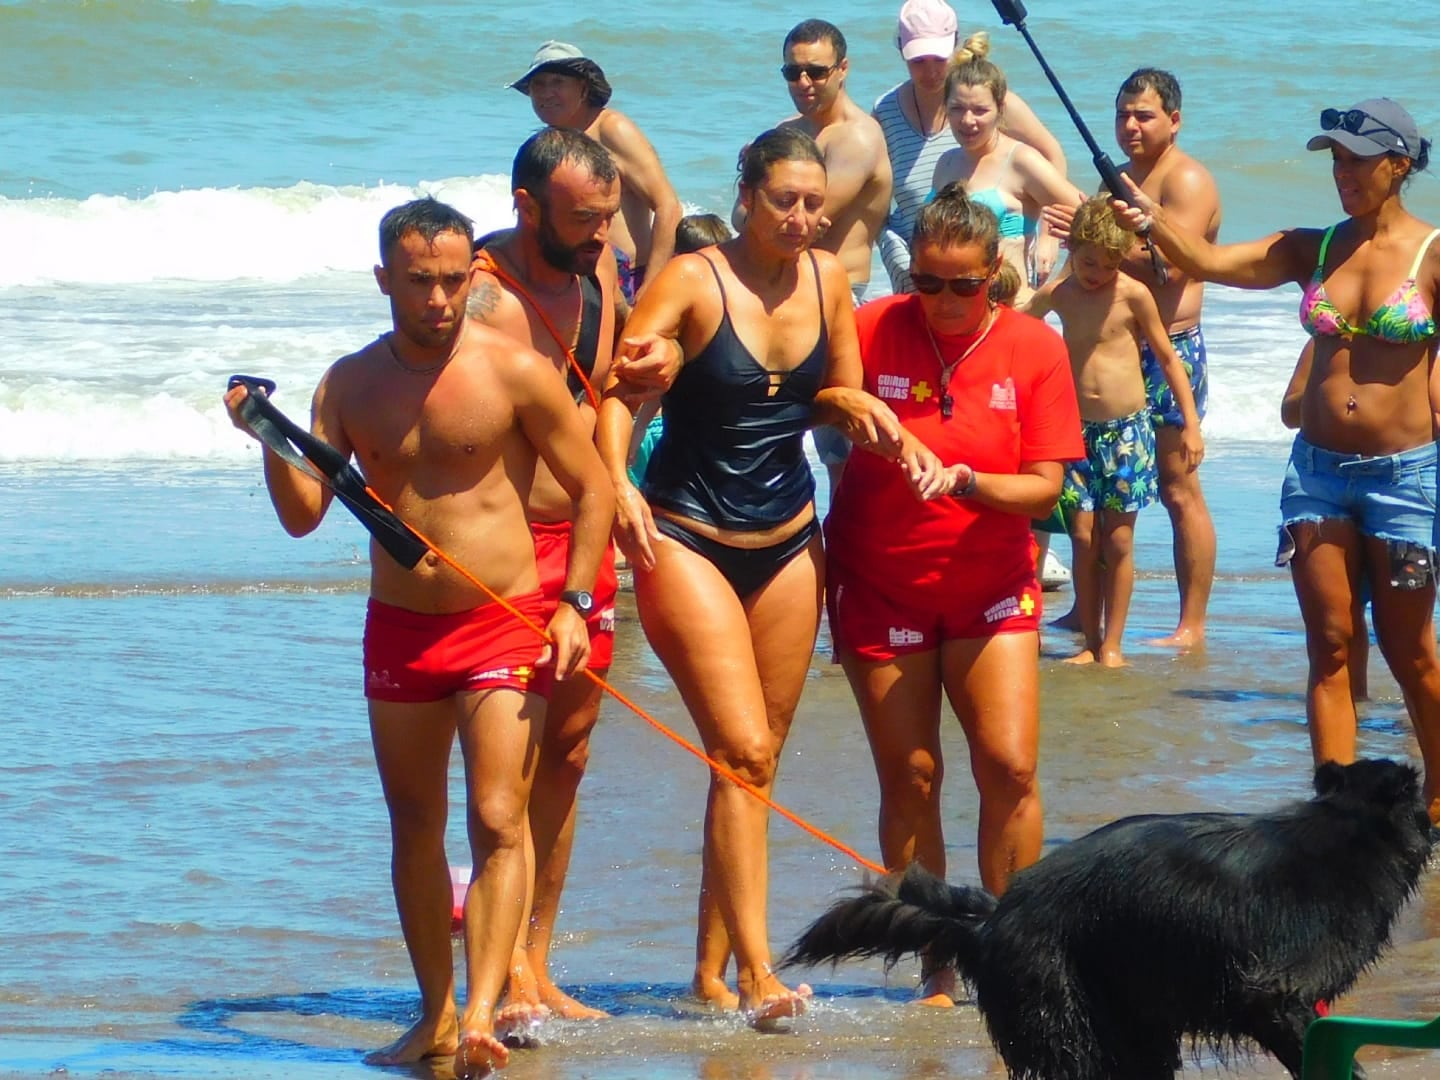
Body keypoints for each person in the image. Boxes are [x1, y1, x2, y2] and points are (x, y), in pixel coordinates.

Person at [223, 197, 615, 1077]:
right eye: (418, 283)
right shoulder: (349, 384)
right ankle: (434, 1016)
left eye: (450, 281)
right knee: (414, 827)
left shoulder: (514, 371)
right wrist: (263, 436)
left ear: (470, 276)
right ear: (384, 281)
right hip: (399, 631)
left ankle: (481, 1012)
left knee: (496, 814)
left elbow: (592, 489)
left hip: (504, 621)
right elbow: (302, 518)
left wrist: (575, 605)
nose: (437, 300)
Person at [597, 127, 915, 1022]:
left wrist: (854, 406)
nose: (803, 218)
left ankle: (708, 971)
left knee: (754, 762)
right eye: (785, 200)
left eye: (816, 203)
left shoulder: (829, 279)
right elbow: (619, 392)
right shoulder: (695, 281)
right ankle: (757, 974)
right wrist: (617, 481)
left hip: (787, 537)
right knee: (738, 749)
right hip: (688, 534)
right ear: (745, 196)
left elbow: (830, 393)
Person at [1113, 97, 1440, 819]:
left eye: (1357, 159)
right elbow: (1204, 260)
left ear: (1400, 164)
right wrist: (1149, 218)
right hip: (1315, 475)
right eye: (1335, 159)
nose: (1342, 173)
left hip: (1405, 482)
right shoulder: (1312, 246)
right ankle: (1336, 815)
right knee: (1329, 642)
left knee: (1408, 648)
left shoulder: (1432, 253)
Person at [825, 181, 1083, 1006]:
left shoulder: (1034, 348)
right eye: (927, 282)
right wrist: (848, 399)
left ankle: (1016, 949)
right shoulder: (872, 328)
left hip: (992, 588)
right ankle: (935, 964)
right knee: (913, 777)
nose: (942, 300)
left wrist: (969, 479)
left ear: (995, 274)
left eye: (963, 285)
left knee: (1008, 765)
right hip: (880, 584)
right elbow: (804, 387)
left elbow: (1045, 490)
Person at [465, 128, 624, 1027]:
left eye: (606, 217)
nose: (600, 235)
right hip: (509, 557)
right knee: (507, 774)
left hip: (585, 542)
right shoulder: (479, 298)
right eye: (582, 219)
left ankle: (535, 960)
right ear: (527, 207)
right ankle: (498, 969)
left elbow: (601, 393)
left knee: (568, 753)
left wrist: (651, 368)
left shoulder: (600, 274)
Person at [1047, 68, 1222, 648]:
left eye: (1144, 115)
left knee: (1178, 488)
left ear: (1174, 119)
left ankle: (1190, 624)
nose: (1131, 125)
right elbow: (1084, 269)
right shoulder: (1115, 182)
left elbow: (1175, 265)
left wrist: (1120, 236)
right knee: (1095, 499)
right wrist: (1078, 234)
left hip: (1170, 347)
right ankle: (1085, 612)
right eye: (1123, 113)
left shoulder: (1186, 180)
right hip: (1109, 351)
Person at [1022, 196, 1204, 667]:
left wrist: (1191, 425)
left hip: (1128, 432)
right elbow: (1018, 327)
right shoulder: (1062, 293)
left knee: (1118, 540)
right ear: (1072, 250)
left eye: (1108, 264)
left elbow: (1168, 358)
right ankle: (1089, 638)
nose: (1096, 273)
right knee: (1082, 538)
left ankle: (1113, 645)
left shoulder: (1131, 294)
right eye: (1087, 262)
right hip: (1074, 432)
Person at [742, 19, 893, 496]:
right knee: (774, 423)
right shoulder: (786, 133)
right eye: (792, 72)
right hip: (782, 289)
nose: (803, 83)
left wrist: (763, 204)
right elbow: (745, 211)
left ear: (843, 69)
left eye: (816, 71)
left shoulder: (858, 138)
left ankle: (849, 551)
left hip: (843, 295)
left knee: (843, 438)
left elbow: (804, 221)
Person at [874, 0, 1067, 295]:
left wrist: (1049, 234)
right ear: (901, 48)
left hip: (994, 281)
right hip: (920, 268)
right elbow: (875, 196)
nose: (930, 71)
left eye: (938, 58)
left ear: (954, 43)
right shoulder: (886, 111)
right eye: (918, 60)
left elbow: (1050, 157)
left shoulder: (991, 101)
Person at [510, 41, 683, 303]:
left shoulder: (612, 128)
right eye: (539, 84)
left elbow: (668, 207)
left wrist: (651, 287)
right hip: (575, 280)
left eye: (557, 82)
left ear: (583, 88)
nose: (546, 93)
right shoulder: (551, 143)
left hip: (628, 281)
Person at [931, 35, 1083, 302]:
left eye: (980, 110)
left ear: (1000, 110)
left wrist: (1053, 291)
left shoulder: (1022, 161)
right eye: (957, 109)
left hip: (1010, 312)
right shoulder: (946, 162)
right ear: (945, 108)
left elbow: (1094, 224)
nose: (967, 120)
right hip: (951, 311)